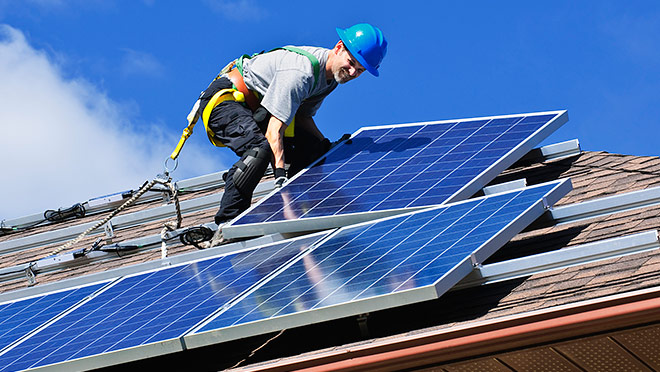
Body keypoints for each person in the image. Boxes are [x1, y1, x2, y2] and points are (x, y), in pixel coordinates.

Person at [197, 23, 387, 236]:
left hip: (259, 111)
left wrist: (326, 145)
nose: (352, 72)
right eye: (351, 63)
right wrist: (280, 177)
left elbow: (303, 117)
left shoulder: (330, 80)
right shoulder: (301, 72)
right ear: (339, 47)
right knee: (261, 150)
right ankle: (228, 223)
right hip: (226, 101)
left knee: (315, 150)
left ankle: (313, 208)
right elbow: (273, 132)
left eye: (360, 70)